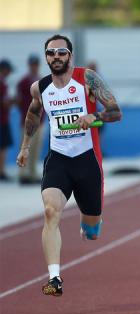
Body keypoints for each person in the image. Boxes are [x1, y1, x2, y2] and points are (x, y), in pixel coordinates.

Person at [16, 34, 123, 296]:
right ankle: (55, 278)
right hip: (59, 159)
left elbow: (116, 111)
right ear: (46, 58)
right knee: (51, 211)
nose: (56, 57)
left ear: (70, 56)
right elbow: (33, 114)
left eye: (61, 52)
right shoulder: (39, 88)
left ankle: (91, 223)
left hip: (87, 159)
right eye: (51, 53)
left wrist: (94, 115)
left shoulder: (86, 78)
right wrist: (25, 147)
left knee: (92, 229)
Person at [17, 54, 44, 185]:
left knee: (36, 148)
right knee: (25, 146)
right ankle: (23, 174)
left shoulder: (42, 80)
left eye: (36, 64)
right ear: (29, 65)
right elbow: (19, 100)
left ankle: (32, 173)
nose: (34, 67)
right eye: (32, 64)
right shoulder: (23, 82)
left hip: (40, 122)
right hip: (27, 121)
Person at [0, 59, 12, 181]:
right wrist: (11, 102)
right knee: (3, 147)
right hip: (2, 120)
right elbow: (5, 103)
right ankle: (1, 171)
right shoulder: (2, 84)